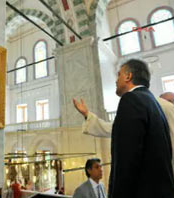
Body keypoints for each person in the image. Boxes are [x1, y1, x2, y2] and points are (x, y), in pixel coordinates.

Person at [74, 59, 174, 198]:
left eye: (119, 75)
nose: (116, 80)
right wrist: (87, 115)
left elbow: (126, 161)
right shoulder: (151, 101)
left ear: (128, 76)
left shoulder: (131, 99)